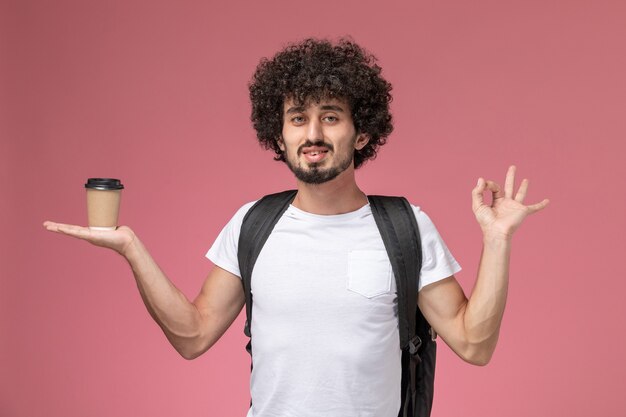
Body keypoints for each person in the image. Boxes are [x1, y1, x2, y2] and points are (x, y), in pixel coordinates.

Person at [44, 38, 549, 417]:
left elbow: (474, 345)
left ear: (363, 132)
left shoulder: (406, 227)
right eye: (297, 119)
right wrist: (132, 248)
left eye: (331, 117)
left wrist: (497, 240)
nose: (312, 134)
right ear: (278, 136)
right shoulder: (253, 224)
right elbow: (193, 336)